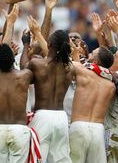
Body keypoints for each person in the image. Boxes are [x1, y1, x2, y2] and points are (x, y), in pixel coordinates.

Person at [21, 30, 73, 163]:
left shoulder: (38, 64)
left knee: (38, 159)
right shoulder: (70, 68)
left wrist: (26, 44)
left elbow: (22, 72)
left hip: (42, 117)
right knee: (61, 160)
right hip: (61, 118)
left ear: (49, 44)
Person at [0, 43, 34, 163]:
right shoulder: (25, 76)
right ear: (13, 60)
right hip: (20, 130)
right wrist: (26, 46)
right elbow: (24, 65)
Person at [69, 44, 116, 163]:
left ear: (94, 61)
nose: (88, 54)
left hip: (79, 126)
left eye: (92, 53)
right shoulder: (111, 86)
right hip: (98, 130)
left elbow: (68, 64)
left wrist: (74, 53)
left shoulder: (83, 73)